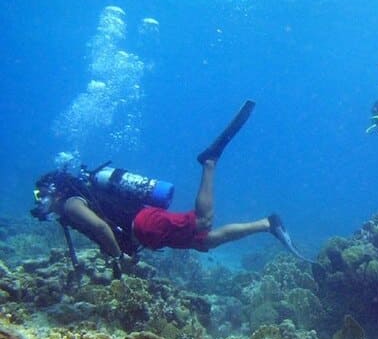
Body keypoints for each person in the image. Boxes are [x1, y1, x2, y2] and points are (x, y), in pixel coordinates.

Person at [30, 101, 303, 271]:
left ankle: (209, 161)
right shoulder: (71, 206)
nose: (39, 201)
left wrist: (118, 257)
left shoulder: (70, 204)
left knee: (203, 222)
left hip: (144, 224)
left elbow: (101, 227)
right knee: (204, 243)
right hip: (143, 231)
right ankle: (268, 224)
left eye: (40, 194)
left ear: (56, 189)